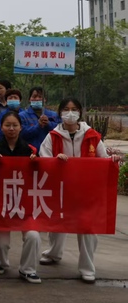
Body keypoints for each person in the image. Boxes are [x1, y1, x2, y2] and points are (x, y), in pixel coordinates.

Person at [38, 98, 120, 283]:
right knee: (57, 225)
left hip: (86, 192)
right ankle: (53, 253)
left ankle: (87, 268)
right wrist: (55, 161)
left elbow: (103, 160)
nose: (70, 113)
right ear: (60, 113)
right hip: (61, 190)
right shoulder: (52, 136)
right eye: (66, 109)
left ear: (80, 112)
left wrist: (112, 160)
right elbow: (44, 159)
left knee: (88, 228)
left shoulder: (92, 136)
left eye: (74, 109)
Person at [0, 111, 42, 284]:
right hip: (1, 203)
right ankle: (1, 261)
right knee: (0, 244)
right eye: (7, 125)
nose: (11, 128)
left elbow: (40, 176)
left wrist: (37, 162)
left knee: (33, 236)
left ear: (21, 127)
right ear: (1, 128)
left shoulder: (31, 150)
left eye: (15, 125)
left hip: (25, 203)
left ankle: (28, 269)